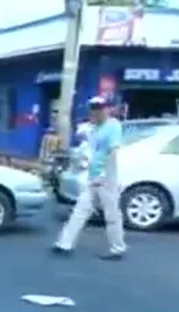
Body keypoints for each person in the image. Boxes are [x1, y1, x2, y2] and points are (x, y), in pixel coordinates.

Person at [52, 96, 126, 260]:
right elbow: (88, 146)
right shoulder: (94, 129)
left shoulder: (113, 127)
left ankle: (117, 248)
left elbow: (113, 152)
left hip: (106, 177)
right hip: (93, 176)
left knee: (111, 214)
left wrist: (106, 175)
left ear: (108, 109)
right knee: (80, 210)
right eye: (94, 109)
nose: (97, 112)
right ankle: (64, 244)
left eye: (100, 109)